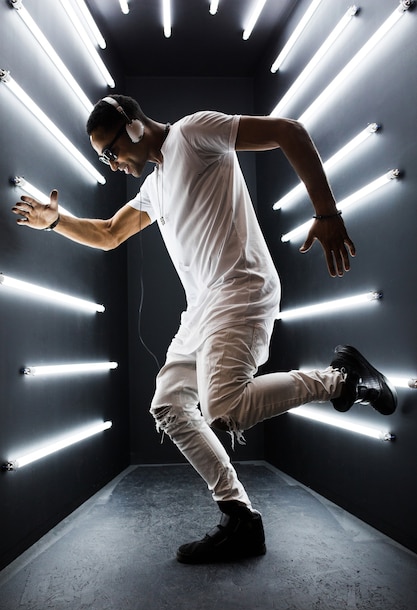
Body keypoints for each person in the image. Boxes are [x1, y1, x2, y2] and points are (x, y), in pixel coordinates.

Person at [12, 95, 397, 564]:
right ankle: (239, 517)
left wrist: (327, 213)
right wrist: (56, 222)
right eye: (102, 159)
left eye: (111, 153)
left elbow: (288, 131)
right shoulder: (154, 185)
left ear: (133, 127)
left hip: (242, 288)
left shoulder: (194, 134)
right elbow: (111, 233)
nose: (111, 165)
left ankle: (343, 379)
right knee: (170, 406)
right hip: (202, 309)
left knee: (224, 407)